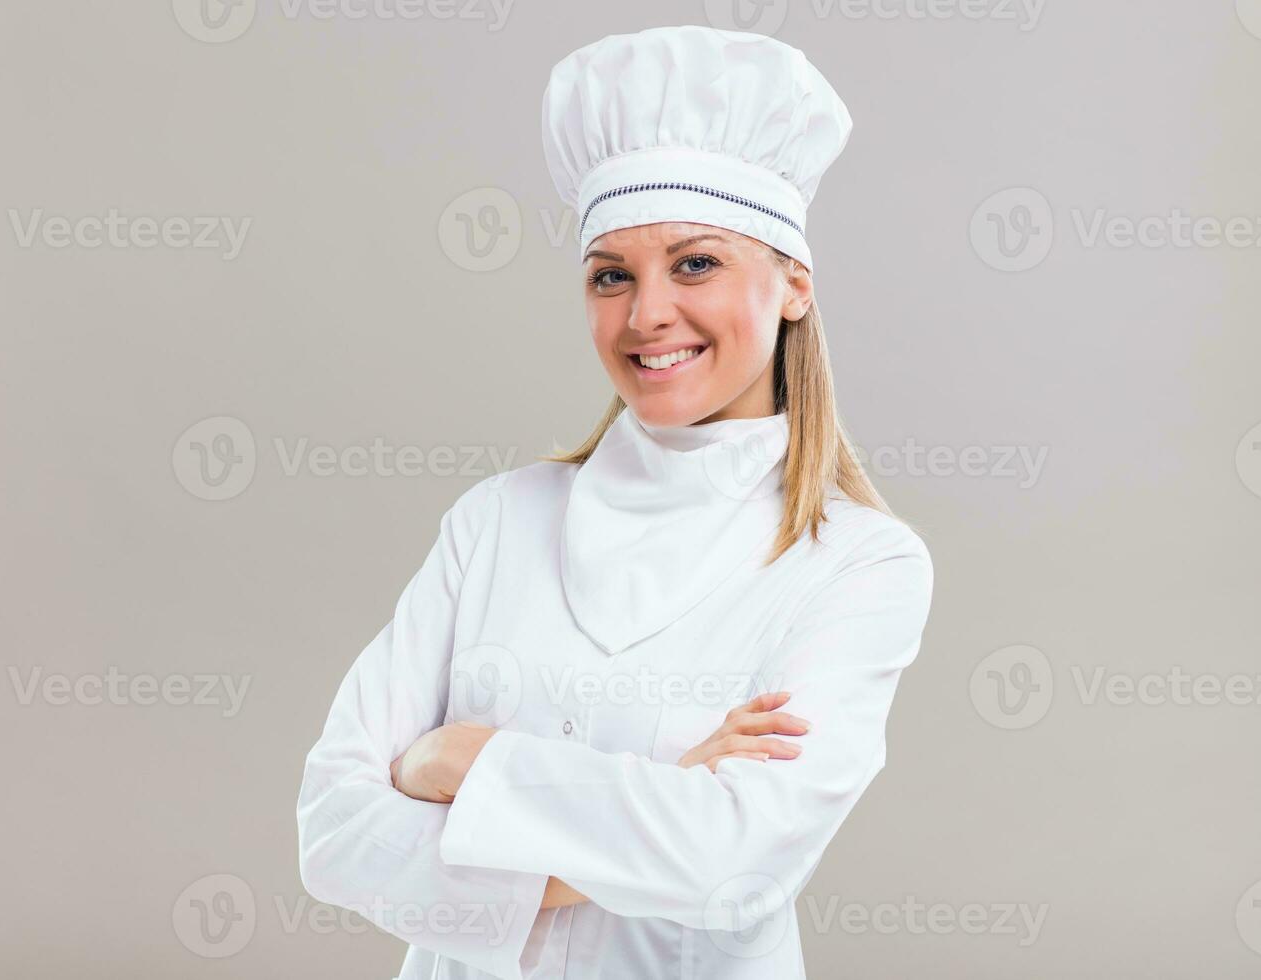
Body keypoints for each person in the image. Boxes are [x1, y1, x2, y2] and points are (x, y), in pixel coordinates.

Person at [297, 24, 935, 980]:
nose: (646, 316)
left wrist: (458, 765)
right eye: (611, 276)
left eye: (695, 263)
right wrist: (671, 796)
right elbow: (335, 832)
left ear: (794, 283)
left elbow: (732, 867)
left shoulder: (858, 563)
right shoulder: (497, 521)